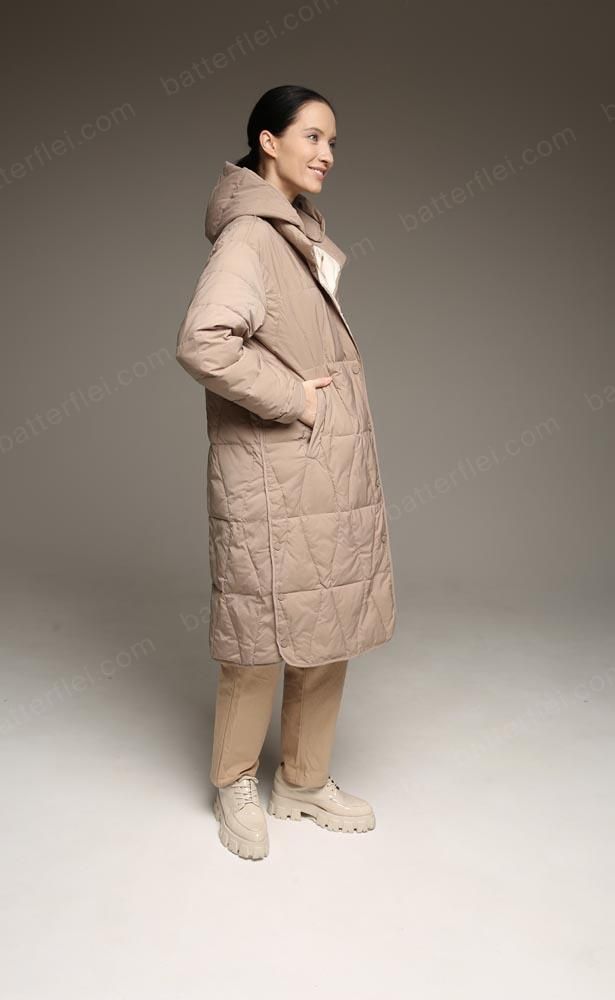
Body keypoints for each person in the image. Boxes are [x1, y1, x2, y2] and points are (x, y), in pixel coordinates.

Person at [175, 84, 396, 860]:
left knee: (325, 623)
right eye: (311, 136)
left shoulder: (296, 232)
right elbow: (204, 342)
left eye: (332, 141)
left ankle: (302, 779)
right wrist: (295, 401)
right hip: (271, 469)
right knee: (256, 633)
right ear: (267, 142)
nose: (326, 154)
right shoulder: (249, 236)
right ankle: (234, 779)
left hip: (322, 470)